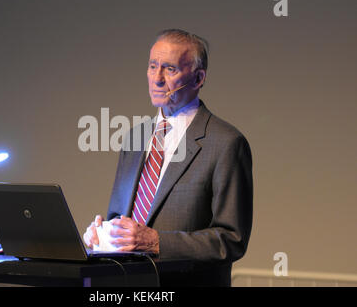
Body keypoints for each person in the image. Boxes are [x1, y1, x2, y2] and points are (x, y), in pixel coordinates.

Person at [83, 29, 253, 286]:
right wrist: (103, 234)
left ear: (198, 78)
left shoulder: (227, 143)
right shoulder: (134, 137)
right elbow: (122, 219)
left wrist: (157, 242)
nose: (157, 78)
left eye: (170, 69)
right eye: (153, 66)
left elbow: (231, 239)